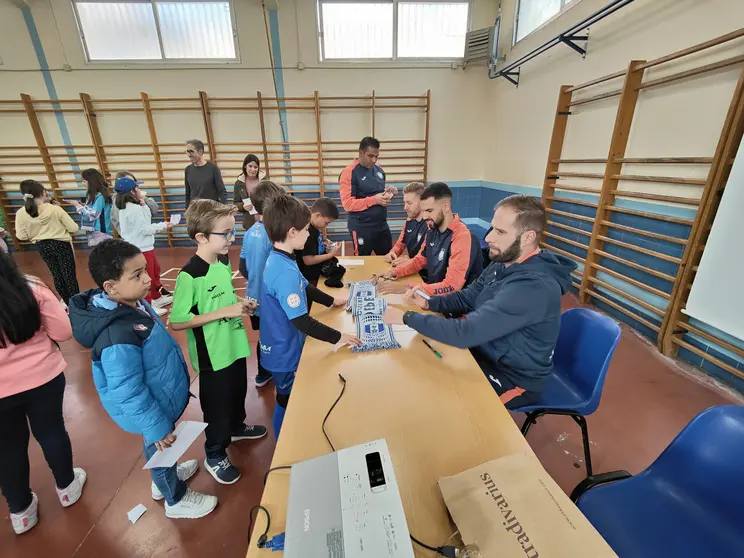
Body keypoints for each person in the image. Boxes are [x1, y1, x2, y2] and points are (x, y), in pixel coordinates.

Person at [69, 239, 218, 519]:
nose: (148, 279)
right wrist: (156, 426)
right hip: (150, 407)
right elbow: (128, 390)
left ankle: (164, 475)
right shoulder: (116, 335)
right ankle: (175, 498)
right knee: (159, 442)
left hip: (159, 398)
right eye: (137, 275)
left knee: (162, 445)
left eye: (145, 271)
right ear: (110, 287)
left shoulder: (131, 303)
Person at [383, 195, 577, 409]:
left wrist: (406, 317)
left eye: (500, 232)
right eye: (492, 228)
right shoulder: (503, 261)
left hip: (514, 378)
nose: (489, 238)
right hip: (486, 352)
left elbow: (467, 333)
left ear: (528, 237)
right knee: (425, 373)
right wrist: (430, 303)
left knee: (452, 407)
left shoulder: (533, 287)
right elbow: (467, 297)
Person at [170, 200, 268, 485]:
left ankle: (236, 427)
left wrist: (240, 303)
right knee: (217, 404)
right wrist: (224, 312)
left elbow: (223, 299)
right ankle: (214, 452)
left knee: (238, 391)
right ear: (201, 237)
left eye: (232, 231)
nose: (231, 238)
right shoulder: (191, 274)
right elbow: (178, 321)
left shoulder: (223, 262)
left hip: (234, 344)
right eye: (225, 233)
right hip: (212, 355)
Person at [260, 194, 362, 438]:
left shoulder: (284, 257)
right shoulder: (282, 270)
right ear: (292, 232)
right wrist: (339, 337)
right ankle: (283, 444)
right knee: (286, 399)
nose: (309, 235)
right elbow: (301, 320)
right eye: (306, 230)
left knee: (293, 395)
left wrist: (331, 300)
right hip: (282, 349)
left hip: (287, 342)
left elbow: (304, 284)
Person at [0, 251, 85, 535]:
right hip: (42, 377)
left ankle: (21, 512)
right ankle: (67, 487)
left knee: (7, 448)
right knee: (51, 431)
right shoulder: (30, 286)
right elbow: (63, 331)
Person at [378, 182, 483, 297]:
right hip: (433, 297)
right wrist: (394, 272)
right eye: (423, 211)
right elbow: (419, 260)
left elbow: (452, 286)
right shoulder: (432, 230)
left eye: (429, 211)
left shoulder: (462, 237)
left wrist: (407, 288)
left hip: (455, 310)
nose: (424, 217)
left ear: (446, 206)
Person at [238, 180, 285, 389]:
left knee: (263, 337)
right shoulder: (274, 233)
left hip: (253, 299)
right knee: (277, 335)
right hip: (270, 300)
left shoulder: (250, 232)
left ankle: (262, 373)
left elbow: (242, 267)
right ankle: (276, 371)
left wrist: (255, 283)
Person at [14, 180, 80, 305]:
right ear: (42, 192)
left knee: (56, 274)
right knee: (69, 275)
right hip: (61, 244)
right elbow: (74, 228)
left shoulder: (21, 213)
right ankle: (77, 304)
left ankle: (68, 303)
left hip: (42, 246)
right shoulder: (54, 209)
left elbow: (21, 236)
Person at [115, 176, 173, 315]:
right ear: (132, 192)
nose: (140, 190)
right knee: (146, 277)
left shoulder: (131, 207)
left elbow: (145, 220)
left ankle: (156, 297)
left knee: (155, 271)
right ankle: (148, 306)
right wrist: (163, 225)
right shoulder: (133, 209)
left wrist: (143, 204)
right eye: (137, 188)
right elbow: (145, 229)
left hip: (143, 246)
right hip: (141, 248)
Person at [339, 137, 397, 256]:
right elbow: (348, 204)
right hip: (362, 227)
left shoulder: (379, 171)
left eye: (377, 156)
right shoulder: (349, 172)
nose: (374, 160)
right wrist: (375, 200)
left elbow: (375, 192)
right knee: (362, 262)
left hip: (381, 225)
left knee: (388, 259)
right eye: (370, 156)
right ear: (361, 153)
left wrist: (388, 192)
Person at [296, 197, 341, 285]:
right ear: (318, 215)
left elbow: (313, 246)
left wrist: (323, 242)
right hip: (310, 279)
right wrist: (330, 255)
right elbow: (308, 260)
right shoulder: (308, 232)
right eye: (326, 223)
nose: (326, 226)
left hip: (315, 274)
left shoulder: (314, 227)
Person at [383, 181, 428, 269]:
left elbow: (433, 260)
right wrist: (393, 253)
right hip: (413, 270)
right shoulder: (408, 223)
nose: (405, 207)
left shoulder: (431, 225)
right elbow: (400, 245)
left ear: (422, 202)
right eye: (405, 202)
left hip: (427, 277)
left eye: (409, 203)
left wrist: (410, 262)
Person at [64, 168, 113, 247]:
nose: (83, 183)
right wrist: (84, 206)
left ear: (92, 182)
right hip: (95, 233)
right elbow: (93, 210)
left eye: (84, 181)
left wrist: (77, 205)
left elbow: (92, 216)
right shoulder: (93, 195)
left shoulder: (100, 197)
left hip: (101, 234)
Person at [111, 171, 160, 236]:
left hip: (141, 238)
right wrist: (162, 226)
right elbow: (142, 229)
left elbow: (154, 209)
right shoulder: (120, 203)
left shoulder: (137, 197)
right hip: (133, 239)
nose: (136, 186)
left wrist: (143, 199)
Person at [185, 139, 226, 207]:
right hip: (195, 211)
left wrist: (223, 210)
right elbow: (188, 193)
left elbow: (221, 191)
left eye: (191, 151)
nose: (189, 155)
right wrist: (187, 210)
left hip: (211, 210)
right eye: (187, 151)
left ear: (200, 152)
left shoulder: (213, 168)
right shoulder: (188, 170)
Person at [234, 154, 265, 230]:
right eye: (250, 166)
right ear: (245, 166)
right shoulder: (239, 183)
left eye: (255, 167)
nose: (253, 169)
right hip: (250, 223)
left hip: (265, 221)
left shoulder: (265, 181)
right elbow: (236, 203)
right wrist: (243, 206)